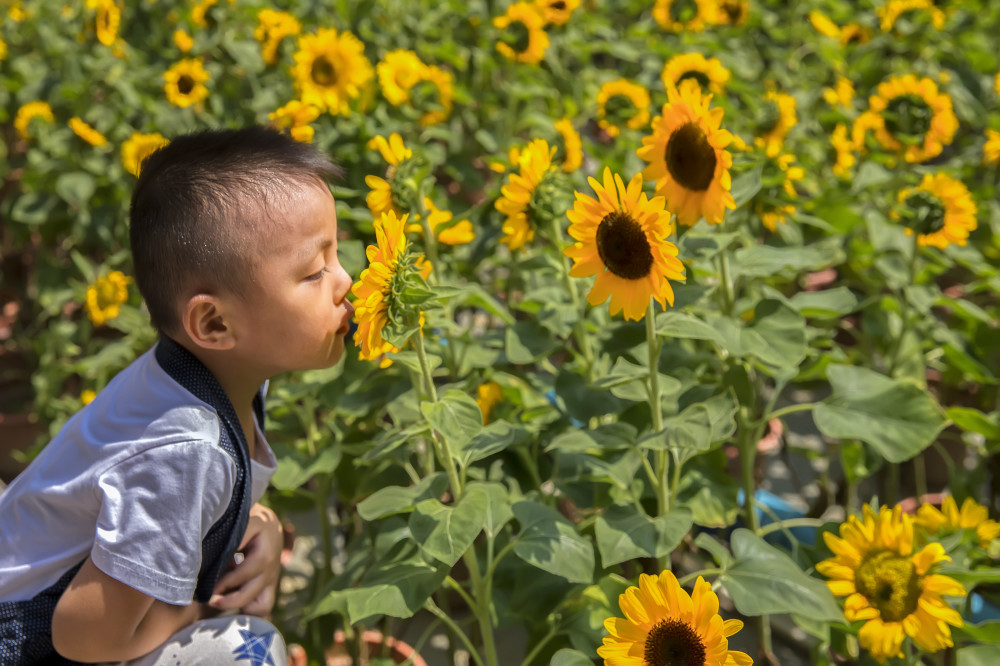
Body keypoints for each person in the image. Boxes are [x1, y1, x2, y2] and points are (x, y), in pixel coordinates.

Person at [0, 126, 355, 665]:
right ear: (213, 322)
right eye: (313, 271)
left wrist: (253, 519)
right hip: (25, 641)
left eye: (335, 255)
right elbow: (82, 633)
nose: (345, 281)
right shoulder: (187, 451)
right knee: (248, 647)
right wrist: (197, 613)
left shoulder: (209, 377)